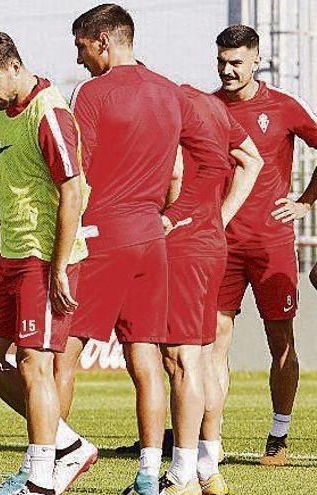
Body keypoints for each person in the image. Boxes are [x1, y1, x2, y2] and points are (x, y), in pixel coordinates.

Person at [48, 5, 228, 495]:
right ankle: (151, 475)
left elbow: (76, 176)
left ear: (103, 42)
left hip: (103, 235)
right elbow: (215, 163)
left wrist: (61, 250)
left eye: (82, 46)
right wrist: (173, 215)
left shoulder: (92, 92)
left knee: (60, 355)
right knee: (146, 358)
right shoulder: (170, 91)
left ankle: (48, 466)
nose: (80, 58)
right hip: (152, 240)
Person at [0, 30, 96, 495]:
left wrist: (59, 267)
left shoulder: (49, 112)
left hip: (44, 258)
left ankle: (39, 477)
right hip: (12, 257)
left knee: (35, 363)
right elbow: (10, 184)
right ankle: (68, 444)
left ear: (15, 66)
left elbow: (73, 190)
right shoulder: (3, 114)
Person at [212, 24, 317, 467]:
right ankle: (207, 443)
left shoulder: (283, 107)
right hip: (221, 243)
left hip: (271, 242)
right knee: (213, 342)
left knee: (281, 342)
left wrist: (305, 203)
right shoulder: (208, 107)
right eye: (221, 61)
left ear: (257, 59)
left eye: (236, 62)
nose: (227, 70)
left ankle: (278, 435)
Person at [159, 85, 262, 494]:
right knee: (205, 357)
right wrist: (220, 218)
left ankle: (182, 474)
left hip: (182, 246)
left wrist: (171, 215)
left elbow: (178, 171)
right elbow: (251, 160)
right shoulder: (212, 106)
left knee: (181, 360)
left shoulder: (173, 106)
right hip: (210, 245)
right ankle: (208, 465)